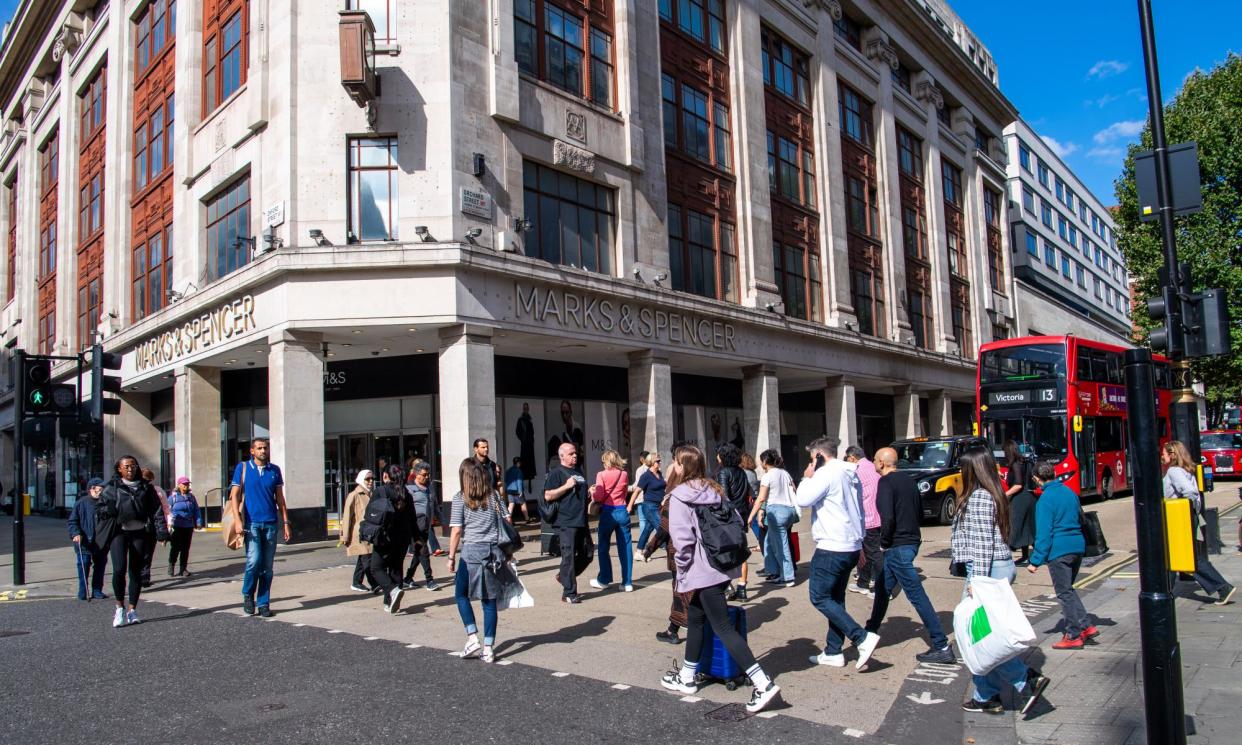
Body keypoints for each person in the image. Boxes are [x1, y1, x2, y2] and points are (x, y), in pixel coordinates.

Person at [660, 444, 781, 713]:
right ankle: (688, 676)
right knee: (696, 618)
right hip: (723, 567)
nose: (674, 467)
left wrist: (682, 571)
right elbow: (737, 521)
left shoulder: (680, 496)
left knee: (723, 627)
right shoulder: (714, 489)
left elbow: (683, 543)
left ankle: (763, 683)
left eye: (677, 463)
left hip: (700, 571)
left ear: (682, 466)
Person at [952, 447, 1050, 715]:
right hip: (994, 567)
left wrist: (977, 581)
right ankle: (986, 696)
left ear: (973, 469)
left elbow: (983, 543)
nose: (960, 471)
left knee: (977, 635)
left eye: (963, 467)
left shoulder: (980, 498)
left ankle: (1026, 679)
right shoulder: (989, 495)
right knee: (981, 634)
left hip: (987, 570)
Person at [795, 436, 880, 669]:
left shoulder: (826, 473)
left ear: (819, 455)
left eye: (812, 457)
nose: (811, 461)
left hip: (832, 545)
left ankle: (861, 637)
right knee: (836, 598)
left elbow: (803, 499)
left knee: (819, 596)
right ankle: (833, 651)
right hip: (851, 543)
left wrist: (806, 476)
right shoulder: (850, 472)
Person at [863, 447, 954, 663]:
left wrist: (884, 543)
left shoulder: (885, 483)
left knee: (916, 594)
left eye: (875, 459)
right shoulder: (909, 480)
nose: (873, 463)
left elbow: (887, 517)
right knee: (883, 589)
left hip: (897, 545)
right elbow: (919, 512)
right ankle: (870, 630)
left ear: (883, 463)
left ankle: (941, 645)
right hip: (911, 541)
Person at [1027, 461, 1098, 649]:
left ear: (1036, 479)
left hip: (1059, 551)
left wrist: (1035, 560)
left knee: (1064, 593)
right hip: (1077, 547)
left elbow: (1044, 533)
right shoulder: (1069, 492)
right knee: (1068, 589)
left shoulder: (1045, 499)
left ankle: (1073, 635)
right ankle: (1086, 626)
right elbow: (1081, 518)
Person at [449, 459, 509, 663]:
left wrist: (451, 557)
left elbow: (457, 530)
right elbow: (507, 520)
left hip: (471, 553)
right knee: (489, 601)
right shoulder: (493, 497)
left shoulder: (460, 499)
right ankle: (488, 647)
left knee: (461, 594)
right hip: (493, 552)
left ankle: (472, 636)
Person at [96, 456, 166, 628]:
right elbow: (99, 509)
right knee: (119, 569)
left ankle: (132, 609)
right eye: (126, 466)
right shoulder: (111, 487)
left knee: (136, 572)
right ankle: (119, 607)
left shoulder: (146, 488)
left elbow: (157, 510)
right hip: (119, 532)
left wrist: (162, 532)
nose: (130, 469)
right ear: (119, 469)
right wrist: (108, 509)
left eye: (133, 466)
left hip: (139, 532)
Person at [1163, 440, 1235, 605]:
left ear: (1172, 454)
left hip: (1179, 519)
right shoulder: (1185, 469)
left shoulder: (1174, 471)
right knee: (1174, 557)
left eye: (1164, 453)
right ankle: (1167, 591)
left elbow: (1190, 492)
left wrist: (1183, 509)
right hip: (1185, 517)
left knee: (1190, 558)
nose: (1162, 456)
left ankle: (1223, 587)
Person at [228, 437, 291, 618]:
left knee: (267, 567)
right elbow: (235, 496)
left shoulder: (275, 470)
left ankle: (263, 602)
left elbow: (280, 499)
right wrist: (238, 520)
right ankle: (248, 593)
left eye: (265, 448)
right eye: (259, 448)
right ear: (252, 451)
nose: (263, 451)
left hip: (271, 522)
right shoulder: (243, 468)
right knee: (254, 562)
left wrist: (286, 522)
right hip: (251, 523)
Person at [543, 442, 590, 603]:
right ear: (562, 456)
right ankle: (569, 593)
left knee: (588, 554)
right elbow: (548, 495)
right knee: (568, 557)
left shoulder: (578, 471)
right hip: (566, 522)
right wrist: (565, 486)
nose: (575, 455)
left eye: (575, 453)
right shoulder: (556, 473)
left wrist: (590, 492)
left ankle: (564, 576)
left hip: (582, 520)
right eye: (571, 453)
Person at [367, 465, 416, 613]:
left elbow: (370, 514)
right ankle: (390, 602)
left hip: (384, 536)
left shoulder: (380, 491)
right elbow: (412, 519)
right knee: (396, 568)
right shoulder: (406, 493)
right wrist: (417, 539)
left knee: (376, 568)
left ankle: (392, 591)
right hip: (403, 538)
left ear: (385, 476)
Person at [748, 449, 797, 587]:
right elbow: (793, 489)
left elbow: (761, 498)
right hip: (789, 510)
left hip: (776, 512)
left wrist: (751, 516)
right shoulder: (785, 473)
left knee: (781, 545)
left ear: (764, 461)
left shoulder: (768, 476)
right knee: (769, 542)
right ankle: (774, 571)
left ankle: (787, 577)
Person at [591, 449, 633, 592]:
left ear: (607, 461)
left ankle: (604, 579)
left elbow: (599, 496)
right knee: (626, 547)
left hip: (608, 512)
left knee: (603, 546)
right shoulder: (624, 474)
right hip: (622, 510)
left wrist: (592, 492)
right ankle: (627, 582)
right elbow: (625, 491)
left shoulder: (601, 475)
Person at [715, 443, 752, 600]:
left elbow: (723, 496)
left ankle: (726, 586)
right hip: (742, 514)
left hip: (729, 517)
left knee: (724, 552)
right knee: (741, 551)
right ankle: (742, 587)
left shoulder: (723, 472)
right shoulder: (742, 472)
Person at [845, 446, 882, 597]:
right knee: (866, 552)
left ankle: (882, 588)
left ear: (852, 458)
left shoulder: (857, 470)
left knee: (873, 553)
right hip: (877, 515)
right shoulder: (873, 467)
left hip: (867, 518)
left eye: (847, 459)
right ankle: (863, 582)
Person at [403, 461, 442, 591]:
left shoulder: (429, 489)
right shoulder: (409, 489)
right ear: (416, 474)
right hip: (414, 526)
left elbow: (435, 506)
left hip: (426, 526)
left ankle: (408, 577)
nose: (426, 477)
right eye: (424, 475)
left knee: (419, 553)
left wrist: (443, 519)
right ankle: (429, 580)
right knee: (424, 551)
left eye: (428, 475)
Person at [68, 477, 108, 600]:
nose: (102, 490)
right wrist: (75, 533)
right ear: (92, 489)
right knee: (84, 564)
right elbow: (73, 521)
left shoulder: (105, 502)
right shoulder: (81, 503)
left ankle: (97, 590)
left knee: (100, 566)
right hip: (85, 541)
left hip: (101, 541)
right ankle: (83, 590)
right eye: (100, 488)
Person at [343, 469, 377, 593]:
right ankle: (375, 584)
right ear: (361, 480)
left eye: (372, 478)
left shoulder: (372, 494)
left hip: (370, 532)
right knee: (367, 559)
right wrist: (345, 536)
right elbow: (347, 516)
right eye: (367, 479)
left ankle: (356, 582)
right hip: (360, 533)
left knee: (364, 558)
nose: (371, 481)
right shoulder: (354, 495)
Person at [1004, 440, 1036, 567]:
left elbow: (1018, 484)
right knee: (1028, 526)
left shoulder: (1015, 464)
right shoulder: (1025, 461)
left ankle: (1012, 555)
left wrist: (1004, 495)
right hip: (1029, 497)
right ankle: (1026, 556)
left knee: (1016, 526)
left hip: (1019, 499)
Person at [139, 468, 171, 588]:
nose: (147, 482)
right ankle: (140, 576)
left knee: (147, 553)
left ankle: (145, 577)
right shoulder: (135, 490)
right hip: (138, 527)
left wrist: (164, 528)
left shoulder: (156, 490)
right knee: (141, 553)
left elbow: (163, 509)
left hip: (150, 527)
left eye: (148, 480)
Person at [166, 477, 203, 577]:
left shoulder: (191, 497)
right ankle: (171, 564)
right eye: (184, 484)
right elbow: (167, 511)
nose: (186, 486)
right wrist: (168, 523)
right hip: (176, 526)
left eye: (187, 484)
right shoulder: (173, 497)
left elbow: (196, 510)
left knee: (185, 548)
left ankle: (183, 569)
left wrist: (198, 522)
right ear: (179, 485)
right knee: (175, 547)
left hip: (188, 526)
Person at [632, 452, 664, 555]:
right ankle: (655, 549)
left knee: (647, 528)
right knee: (662, 528)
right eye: (657, 461)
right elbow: (636, 491)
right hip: (649, 506)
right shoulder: (646, 476)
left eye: (660, 461)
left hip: (659, 506)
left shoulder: (659, 474)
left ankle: (639, 551)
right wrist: (629, 506)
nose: (659, 463)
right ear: (652, 462)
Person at [741, 452, 764, 549]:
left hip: (750, 500)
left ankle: (761, 541)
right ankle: (761, 541)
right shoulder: (752, 472)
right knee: (755, 521)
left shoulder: (744, 473)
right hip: (755, 498)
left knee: (753, 522)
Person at [631, 450, 651, 547]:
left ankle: (644, 542)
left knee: (643, 520)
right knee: (653, 520)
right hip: (652, 499)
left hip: (641, 498)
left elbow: (638, 485)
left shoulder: (640, 469)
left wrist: (629, 488)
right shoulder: (654, 468)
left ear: (642, 459)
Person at [504, 457, 532, 525]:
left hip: (510, 490)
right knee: (522, 503)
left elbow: (505, 480)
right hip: (517, 490)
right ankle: (527, 518)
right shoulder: (519, 471)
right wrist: (520, 491)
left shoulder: (508, 470)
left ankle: (508, 519)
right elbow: (519, 481)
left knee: (511, 505)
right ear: (518, 463)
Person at [516, 402, 537, 486]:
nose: (526, 410)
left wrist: (531, 440)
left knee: (530, 461)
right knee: (524, 460)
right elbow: (518, 432)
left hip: (530, 445)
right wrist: (523, 439)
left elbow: (532, 432)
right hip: (525, 444)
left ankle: (530, 476)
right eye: (524, 408)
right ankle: (525, 476)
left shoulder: (529, 420)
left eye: (527, 408)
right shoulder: (520, 420)